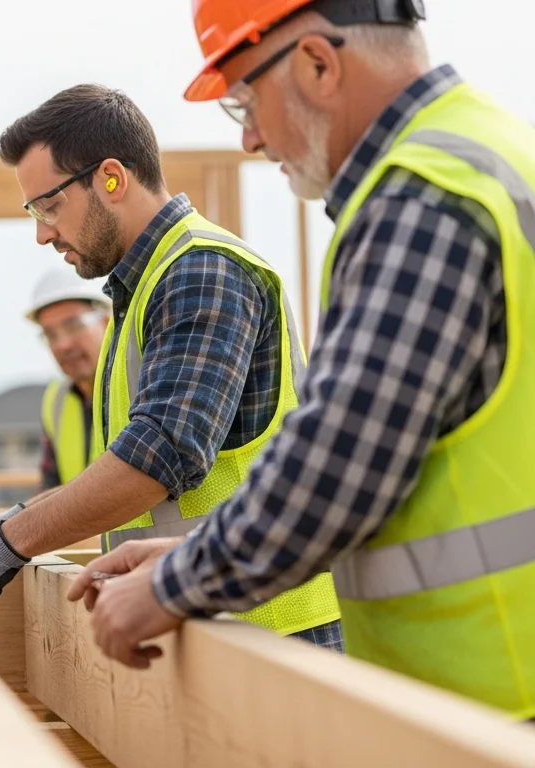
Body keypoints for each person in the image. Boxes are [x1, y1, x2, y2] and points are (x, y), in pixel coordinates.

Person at [71, 0, 535, 721]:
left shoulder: (422, 198)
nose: (251, 138)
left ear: (318, 62)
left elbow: (341, 467)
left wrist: (175, 583)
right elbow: (415, 478)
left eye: (245, 103)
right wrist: (192, 548)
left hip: (498, 699)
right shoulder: (491, 149)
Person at [0, 84, 342, 651]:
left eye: (49, 206)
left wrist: (9, 542)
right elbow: (131, 462)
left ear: (112, 179)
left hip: (270, 630)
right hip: (205, 621)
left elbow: (159, 457)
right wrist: (15, 519)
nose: (42, 233)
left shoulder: (200, 271)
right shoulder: (148, 283)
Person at [25, 265, 109, 493]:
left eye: (74, 326)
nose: (62, 344)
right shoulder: (56, 399)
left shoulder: (140, 386)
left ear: (107, 321)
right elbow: (49, 487)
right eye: (50, 334)